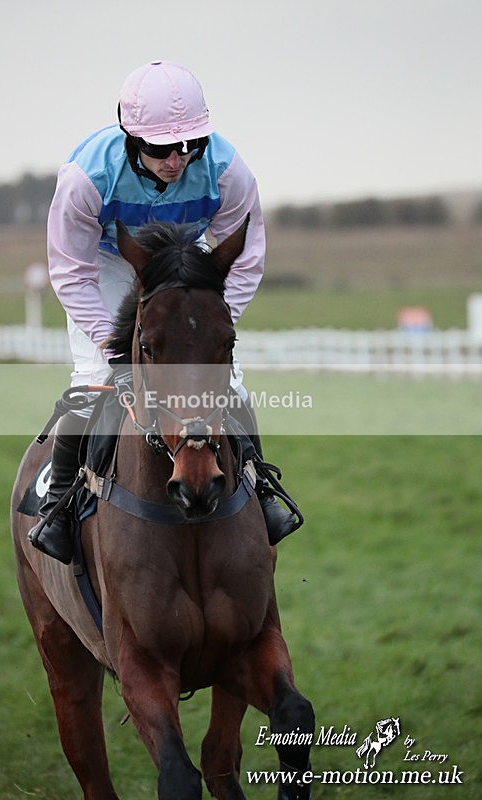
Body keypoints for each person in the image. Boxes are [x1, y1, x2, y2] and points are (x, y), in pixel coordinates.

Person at [29, 60, 300, 564]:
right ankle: (59, 507)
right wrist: (114, 346)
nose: (177, 160)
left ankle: (261, 488)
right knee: (95, 384)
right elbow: (70, 271)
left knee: (231, 383)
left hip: (185, 269)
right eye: (160, 148)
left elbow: (247, 259)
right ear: (131, 137)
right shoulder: (86, 177)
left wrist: (212, 328)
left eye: (190, 144)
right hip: (109, 265)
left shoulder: (227, 168)